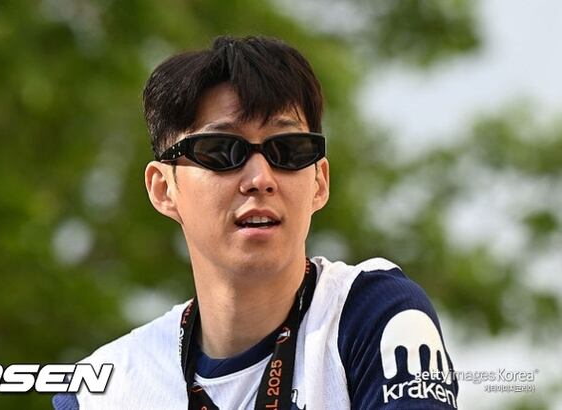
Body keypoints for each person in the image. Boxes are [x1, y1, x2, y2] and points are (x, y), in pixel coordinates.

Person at [53, 35, 459, 409]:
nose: (260, 178)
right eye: (220, 150)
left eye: (288, 149)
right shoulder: (102, 389)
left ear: (319, 182)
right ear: (164, 188)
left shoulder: (371, 313)